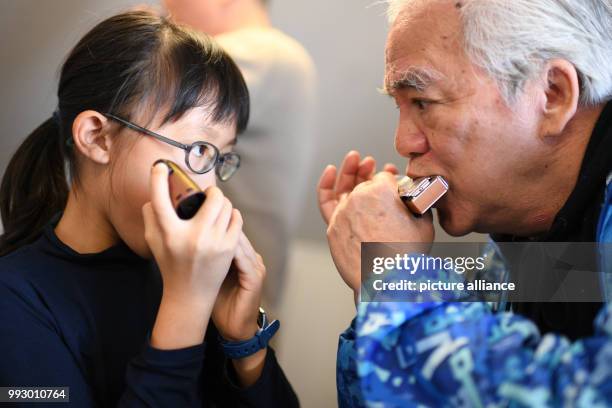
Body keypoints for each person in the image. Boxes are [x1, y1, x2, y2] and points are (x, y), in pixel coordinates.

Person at [316, 0, 612, 406]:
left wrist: (399, 283)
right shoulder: (513, 242)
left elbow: (589, 392)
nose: (403, 143)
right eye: (399, 106)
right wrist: (375, 283)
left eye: (423, 102)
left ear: (552, 95)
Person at [0, 10, 298, 407]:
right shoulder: (15, 299)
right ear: (97, 138)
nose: (207, 187)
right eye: (198, 150)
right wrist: (186, 306)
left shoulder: (179, 274)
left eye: (219, 159)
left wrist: (244, 340)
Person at [163, 0, 317, 307]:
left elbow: (143, 113)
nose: (166, 6)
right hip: (234, 295)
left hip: (218, 297)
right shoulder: (281, 56)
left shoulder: (257, 52)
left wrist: (145, 40)